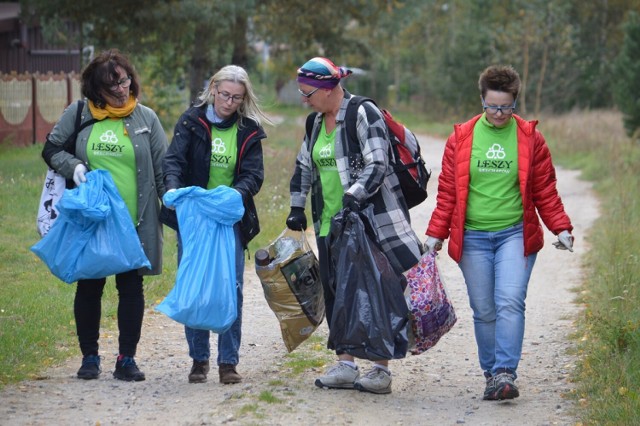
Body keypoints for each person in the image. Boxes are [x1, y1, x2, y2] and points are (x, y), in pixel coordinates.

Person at [425, 64, 574, 401]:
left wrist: (561, 226)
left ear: (515, 103)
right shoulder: (461, 137)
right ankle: (492, 374)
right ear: (482, 101)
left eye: (506, 107)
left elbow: (545, 190)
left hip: (514, 235)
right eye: (492, 106)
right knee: (484, 309)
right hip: (473, 238)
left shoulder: (530, 138)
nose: (498, 113)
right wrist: (435, 234)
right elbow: (448, 192)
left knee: (509, 301)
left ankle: (506, 371)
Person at [286, 57, 422, 394]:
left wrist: (354, 195)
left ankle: (380, 368)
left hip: (368, 222)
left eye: (308, 93)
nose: (304, 99)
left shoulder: (363, 113)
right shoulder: (315, 122)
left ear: (328, 88)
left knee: (376, 291)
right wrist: (296, 206)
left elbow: (378, 163)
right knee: (337, 293)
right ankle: (345, 364)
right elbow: (305, 165)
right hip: (329, 224)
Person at [42, 49, 168, 381]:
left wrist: (176, 204)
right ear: (97, 90)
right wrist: (75, 166)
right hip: (92, 221)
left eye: (125, 80)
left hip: (134, 221)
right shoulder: (79, 113)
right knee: (89, 286)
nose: (122, 90)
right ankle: (89, 358)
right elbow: (51, 148)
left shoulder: (146, 119)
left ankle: (126, 359)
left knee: (131, 287)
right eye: (112, 87)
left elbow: (164, 170)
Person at [161, 65, 271, 385]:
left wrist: (236, 193)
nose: (229, 102)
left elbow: (254, 174)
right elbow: (174, 162)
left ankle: (228, 362)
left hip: (228, 220)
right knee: (195, 286)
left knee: (230, 288)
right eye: (224, 95)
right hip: (195, 219)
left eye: (237, 98)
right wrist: (171, 186)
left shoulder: (248, 130)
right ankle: (199, 360)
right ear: (213, 89)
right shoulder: (190, 121)